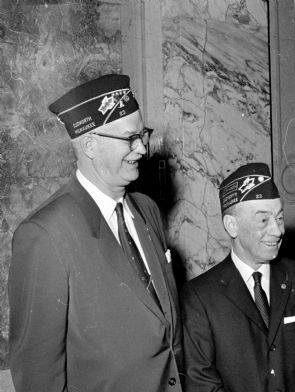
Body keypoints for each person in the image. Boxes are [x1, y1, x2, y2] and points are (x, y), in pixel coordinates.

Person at [9, 74, 183, 392]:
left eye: (143, 135)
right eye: (129, 138)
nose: (142, 150)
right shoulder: (45, 234)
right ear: (90, 144)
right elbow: (38, 377)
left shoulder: (147, 210)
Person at [181, 162, 295, 392]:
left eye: (279, 218)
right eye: (263, 220)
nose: (278, 231)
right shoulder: (199, 297)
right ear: (232, 226)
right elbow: (201, 383)